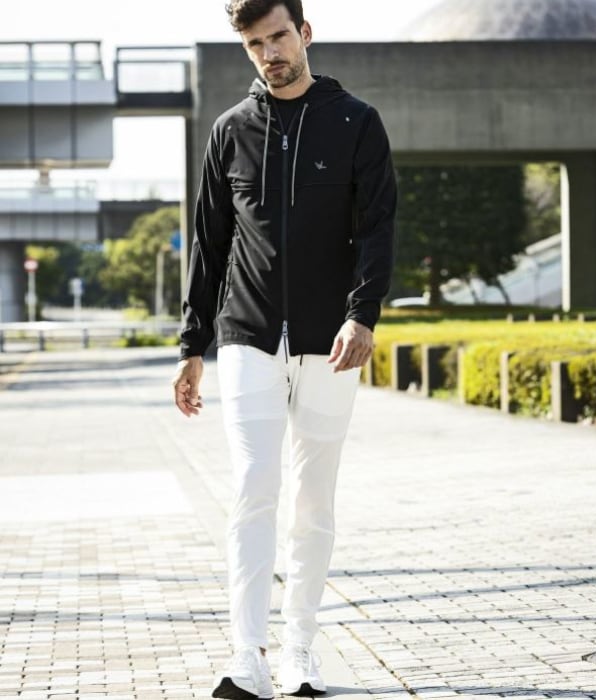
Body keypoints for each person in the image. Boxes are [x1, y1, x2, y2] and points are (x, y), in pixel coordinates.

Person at [172, 1, 396, 697]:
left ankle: (300, 650)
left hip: (333, 342)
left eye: (278, 37)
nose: (269, 53)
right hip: (248, 336)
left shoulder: (356, 122)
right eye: (254, 44)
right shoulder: (230, 131)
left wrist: (362, 316)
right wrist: (191, 345)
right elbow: (209, 243)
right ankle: (248, 656)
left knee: (313, 499)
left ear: (305, 34)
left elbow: (379, 227)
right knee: (253, 488)